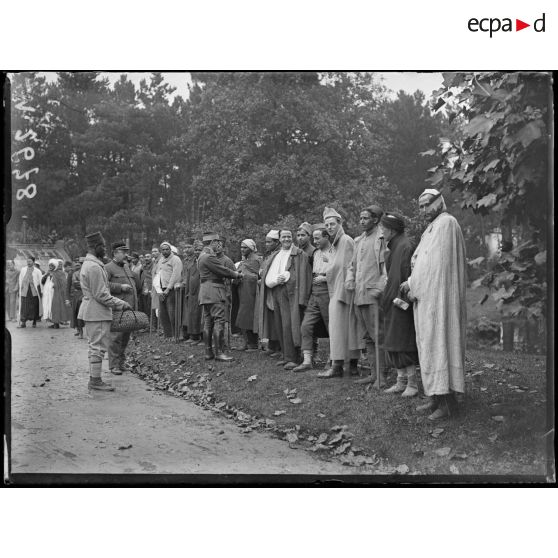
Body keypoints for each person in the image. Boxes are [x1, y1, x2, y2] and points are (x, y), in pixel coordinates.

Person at [400, 189, 467, 420]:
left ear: (439, 203)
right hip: (427, 297)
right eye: (420, 207)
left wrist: (413, 286)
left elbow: (436, 266)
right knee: (428, 346)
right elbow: (422, 262)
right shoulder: (432, 227)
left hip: (440, 298)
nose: (423, 210)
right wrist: (411, 281)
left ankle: (448, 403)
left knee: (440, 345)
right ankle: (435, 397)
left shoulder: (447, 224)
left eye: (427, 205)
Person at [78, 231, 131, 391]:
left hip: (94, 310)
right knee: (97, 347)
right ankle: (95, 381)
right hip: (97, 311)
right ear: (95, 247)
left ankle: (95, 379)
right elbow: (101, 294)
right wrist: (120, 303)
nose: (105, 250)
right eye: (102, 246)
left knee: (96, 346)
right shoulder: (94, 267)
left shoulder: (92, 264)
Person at [346, 205, 388, 385]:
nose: (361, 221)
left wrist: (381, 288)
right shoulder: (359, 240)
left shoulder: (382, 238)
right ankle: (373, 373)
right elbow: (352, 265)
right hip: (359, 294)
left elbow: (386, 268)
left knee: (378, 334)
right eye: (360, 218)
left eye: (365, 218)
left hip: (374, 294)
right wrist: (350, 280)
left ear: (376, 220)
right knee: (367, 337)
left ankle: (382, 376)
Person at [379, 213, 419, 397]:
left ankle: (412, 383)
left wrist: (402, 297)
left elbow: (410, 275)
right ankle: (400, 381)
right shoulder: (393, 248)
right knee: (393, 342)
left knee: (404, 343)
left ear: (393, 230)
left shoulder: (406, 246)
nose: (381, 232)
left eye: (383, 228)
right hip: (391, 302)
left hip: (402, 303)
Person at [317, 207, 360, 378]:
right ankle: (339, 365)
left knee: (348, 328)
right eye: (327, 224)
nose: (329, 227)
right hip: (336, 290)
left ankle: (347, 366)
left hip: (344, 291)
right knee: (338, 329)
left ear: (340, 223)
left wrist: (326, 272)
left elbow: (347, 266)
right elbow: (336, 265)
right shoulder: (335, 243)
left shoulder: (346, 240)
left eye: (332, 224)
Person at [260, 229, 312, 370]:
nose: (286, 239)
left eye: (289, 236)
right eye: (284, 237)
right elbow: (267, 271)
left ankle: (293, 358)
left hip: (291, 293)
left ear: (292, 237)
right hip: (276, 291)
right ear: (280, 239)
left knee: (290, 325)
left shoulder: (300, 254)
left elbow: (303, 276)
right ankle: (285, 355)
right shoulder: (276, 254)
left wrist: (302, 297)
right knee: (279, 323)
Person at [198, 233, 242, 361]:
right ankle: (219, 353)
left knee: (208, 323)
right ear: (212, 243)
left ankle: (208, 352)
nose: (218, 245)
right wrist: (236, 274)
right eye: (216, 242)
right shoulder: (209, 257)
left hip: (205, 293)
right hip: (215, 292)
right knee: (219, 321)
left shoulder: (201, 256)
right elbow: (222, 270)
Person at [294, 225, 331, 372]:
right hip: (314, 293)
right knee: (306, 325)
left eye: (317, 238)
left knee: (331, 327)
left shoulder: (334, 252)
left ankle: (333, 359)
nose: (315, 241)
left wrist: (326, 278)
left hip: (328, 292)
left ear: (326, 237)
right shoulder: (315, 253)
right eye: (314, 238)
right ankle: (307, 360)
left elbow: (342, 270)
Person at [105, 241, 140, 374]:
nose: (126, 254)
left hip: (130, 307)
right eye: (123, 252)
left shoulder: (126, 267)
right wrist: (120, 287)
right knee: (115, 337)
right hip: (117, 307)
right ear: (115, 253)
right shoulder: (107, 268)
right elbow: (104, 285)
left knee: (125, 336)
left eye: (126, 252)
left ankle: (121, 362)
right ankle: (113, 365)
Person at [255, 230, 282, 357]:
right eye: (266, 242)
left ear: (277, 242)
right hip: (267, 289)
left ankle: (279, 346)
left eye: (269, 242)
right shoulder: (270, 254)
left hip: (275, 289)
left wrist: (264, 275)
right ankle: (271, 344)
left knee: (276, 316)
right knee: (269, 317)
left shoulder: (280, 254)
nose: (266, 244)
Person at [152, 241, 183, 338]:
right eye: (163, 250)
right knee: (163, 313)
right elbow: (158, 274)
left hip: (172, 289)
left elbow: (176, 275)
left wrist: (168, 288)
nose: (165, 251)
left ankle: (176, 334)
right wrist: (159, 290)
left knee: (172, 313)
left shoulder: (175, 259)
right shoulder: (161, 260)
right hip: (162, 290)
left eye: (167, 249)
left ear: (170, 250)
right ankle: (168, 335)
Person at [235, 239, 261, 351]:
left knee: (250, 316)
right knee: (243, 316)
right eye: (241, 247)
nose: (242, 249)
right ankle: (246, 342)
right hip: (243, 291)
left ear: (251, 248)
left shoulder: (256, 260)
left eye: (245, 247)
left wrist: (244, 275)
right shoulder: (245, 260)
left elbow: (257, 276)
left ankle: (253, 343)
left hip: (252, 293)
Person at [182, 241, 204, 345]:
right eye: (196, 250)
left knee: (200, 315)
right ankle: (193, 335)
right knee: (191, 314)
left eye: (199, 250)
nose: (197, 252)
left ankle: (201, 336)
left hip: (201, 292)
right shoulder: (193, 262)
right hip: (192, 293)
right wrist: (188, 291)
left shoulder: (204, 262)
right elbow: (188, 277)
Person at [41, 259, 70, 329]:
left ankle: (56, 324)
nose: (50, 267)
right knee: (49, 308)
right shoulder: (48, 272)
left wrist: (55, 286)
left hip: (56, 293)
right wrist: (46, 275)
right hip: (48, 294)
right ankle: (54, 323)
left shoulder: (60, 273)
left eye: (52, 265)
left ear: (55, 266)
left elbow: (63, 284)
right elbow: (42, 282)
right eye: (49, 265)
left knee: (55, 308)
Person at [17, 256, 42, 328]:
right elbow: (20, 280)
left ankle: (34, 322)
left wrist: (41, 291)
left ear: (33, 262)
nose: (28, 263)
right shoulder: (23, 269)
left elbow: (40, 282)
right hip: (25, 291)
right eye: (27, 261)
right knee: (24, 306)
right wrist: (20, 290)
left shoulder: (37, 271)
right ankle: (23, 322)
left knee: (34, 306)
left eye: (30, 261)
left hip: (34, 291)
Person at [180, 244, 196, 341]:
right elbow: (183, 274)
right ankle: (185, 334)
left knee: (191, 312)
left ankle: (193, 334)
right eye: (185, 247)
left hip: (192, 288)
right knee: (184, 312)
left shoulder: (196, 260)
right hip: (184, 288)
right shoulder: (184, 261)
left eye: (189, 247)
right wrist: (181, 282)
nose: (186, 250)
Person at [65, 258, 85, 338]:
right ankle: (80, 331)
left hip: (86, 295)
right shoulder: (71, 273)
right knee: (77, 314)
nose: (78, 264)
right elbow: (68, 286)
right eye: (76, 262)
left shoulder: (87, 272)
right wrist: (67, 299)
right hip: (75, 296)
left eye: (80, 262)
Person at [139, 252, 156, 329]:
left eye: (148, 256)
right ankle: (146, 325)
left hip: (151, 289)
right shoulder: (143, 266)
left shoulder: (154, 265)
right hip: (143, 290)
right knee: (145, 308)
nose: (146, 258)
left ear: (151, 257)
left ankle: (153, 326)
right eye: (145, 257)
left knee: (151, 309)